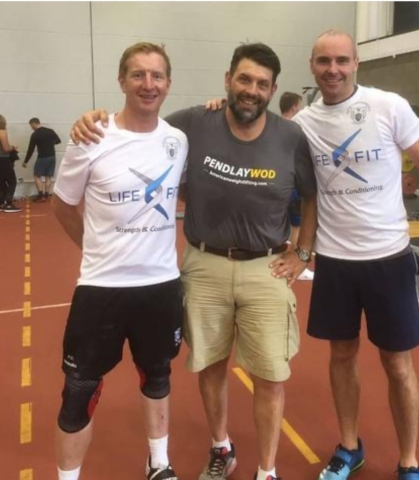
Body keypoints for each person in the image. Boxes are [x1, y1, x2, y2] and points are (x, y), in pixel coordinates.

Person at [71, 42, 318, 480]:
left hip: (267, 267)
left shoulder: (290, 137)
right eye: (243, 79)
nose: (251, 90)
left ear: (273, 89)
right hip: (204, 265)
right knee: (210, 365)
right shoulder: (193, 124)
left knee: (271, 377)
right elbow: (140, 127)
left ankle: (267, 470)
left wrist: (301, 253)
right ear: (227, 81)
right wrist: (95, 119)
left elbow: (313, 196)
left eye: (262, 84)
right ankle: (221, 447)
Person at [292, 30, 419, 480]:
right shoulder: (303, 124)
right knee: (341, 356)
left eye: (342, 60)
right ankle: (349, 446)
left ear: (356, 62)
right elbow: (251, 132)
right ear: (312, 65)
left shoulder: (389, 106)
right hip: (335, 262)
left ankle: (409, 461)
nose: (333, 69)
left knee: (398, 364)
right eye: (324, 61)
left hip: (388, 259)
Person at [52, 42, 188, 480]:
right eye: (138, 75)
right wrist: (95, 249)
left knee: (158, 377)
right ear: (121, 81)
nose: (148, 84)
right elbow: (63, 205)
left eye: (157, 76)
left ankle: (159, 464)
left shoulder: (177, 140)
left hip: (161, 286)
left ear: (168, 83)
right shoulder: (91, 137)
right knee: (79, 394)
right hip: (101, 289)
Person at [279, 92, 314, 281]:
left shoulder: (275, 127)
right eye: (298, 107)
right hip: (293, 184)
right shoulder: (296, 128)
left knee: (286, 226)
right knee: (297, 226)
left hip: (281, 184)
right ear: (293, 107)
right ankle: (295, 259)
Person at [22, 117, 61, 201]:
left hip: (42, 157)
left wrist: (25, 161)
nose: (31, 128)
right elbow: (58, 141)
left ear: (34, 124)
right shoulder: (50, 131)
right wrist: (50, 143)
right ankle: (46, 195)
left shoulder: (35, 134)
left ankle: (40, 195)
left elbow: (31, 149)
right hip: (52, 156)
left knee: (36, 175)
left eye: (31, 126)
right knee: (48, 176)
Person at [0, 114, 21, 212]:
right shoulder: (2, 132)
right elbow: (5, 148)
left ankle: (1, 203)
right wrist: (13, 148)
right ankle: (8, 203)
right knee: (12, 181)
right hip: (3, 160)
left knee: (1, 182)